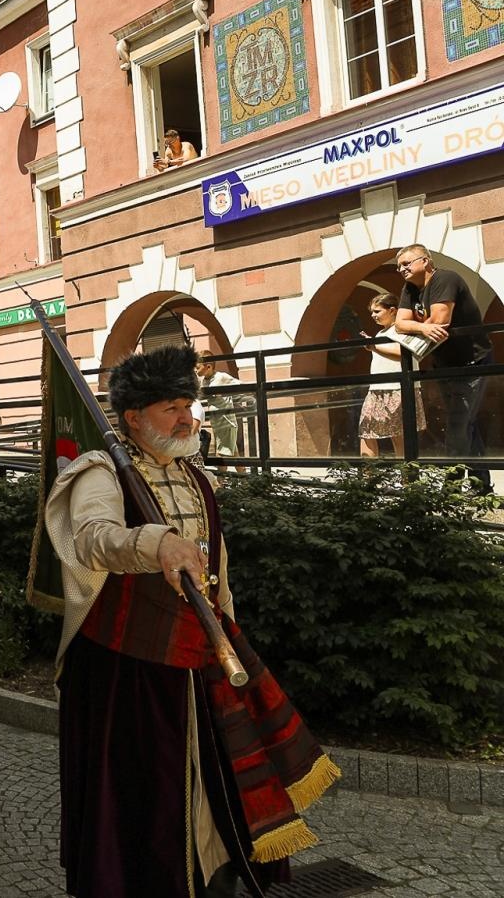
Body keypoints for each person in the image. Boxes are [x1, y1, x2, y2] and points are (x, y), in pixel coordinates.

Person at [44, 346, 337, 898]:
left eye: (187, 404)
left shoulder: (197, 478)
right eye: (170, 408)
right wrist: (154, 542)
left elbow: (217, 571)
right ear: (133, 416)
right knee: (143, 793)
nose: (186, 418)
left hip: (202, 655)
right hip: (128, 668)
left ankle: (213, 880)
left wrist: (228, 628)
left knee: (220, 781)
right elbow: (89, 540)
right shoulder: (99, 472)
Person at [394, 244, 495, 493]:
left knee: (458, 423)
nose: (402, 269)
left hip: (472, 362)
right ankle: (481, 484)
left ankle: (451, 485)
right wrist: (423, 328)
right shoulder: (410, 288)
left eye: (407, 263)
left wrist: (420, 325)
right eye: (398, 266)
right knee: (464, 422)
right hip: (444, 364)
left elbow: (441, 320)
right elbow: (399, 323)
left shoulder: (445, 278)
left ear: (426, 261)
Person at [361, 294, 427, 458]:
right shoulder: (380, 333)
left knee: (399, 436)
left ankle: (407, 479)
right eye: (371, 312)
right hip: (378, 388)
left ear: (392, 310)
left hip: (398, 388)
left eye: (377, 311)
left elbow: (402, 353)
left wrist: (374, 346)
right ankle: (368, 478)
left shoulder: (403, 329)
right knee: (366, 430)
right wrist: (373, 344)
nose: (373, 315)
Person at [194, 351, 243, 458]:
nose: (196, 370)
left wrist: (227, 393)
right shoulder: (204, 381)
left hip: (226, 422)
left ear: (208, 366)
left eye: (198, 367)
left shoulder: (221, 377)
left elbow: (241, 386)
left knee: (221, 456)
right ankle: (243, 473)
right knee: (234, 454)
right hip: (217, 423)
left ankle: (220, 475)